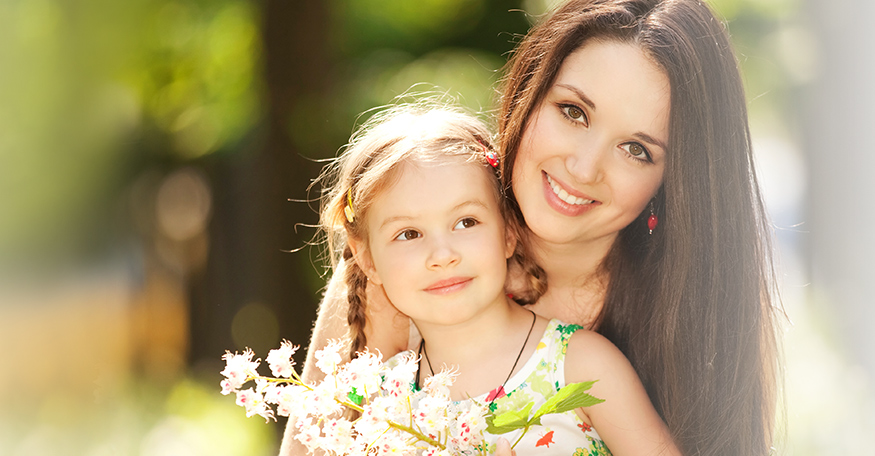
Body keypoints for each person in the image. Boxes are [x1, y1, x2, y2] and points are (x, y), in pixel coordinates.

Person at [284, 1, 778, 455]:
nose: (583, 169)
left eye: (636, 149)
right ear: (527, 93)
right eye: (573, 111)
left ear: (673, 186)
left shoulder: (704, 316)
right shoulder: (407, 277)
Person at [307, 103, 676, 455]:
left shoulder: (580, 365)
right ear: (367, 260)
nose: (443, 255)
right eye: (409, 234)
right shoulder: (382, 404)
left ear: (508, 233)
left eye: (466, 222)